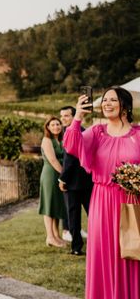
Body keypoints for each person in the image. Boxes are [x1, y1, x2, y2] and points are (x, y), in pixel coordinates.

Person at [64, 86, 140, 298]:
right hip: (102, 201)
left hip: (131, 202)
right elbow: (70, 145)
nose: (106, 103)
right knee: (103, 254)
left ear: (124, 105)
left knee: (131, 252)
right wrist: (78, 116)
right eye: (104, 100)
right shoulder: (96, 133)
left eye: (112, 100)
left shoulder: (138, 135)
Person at [58, 105, 92, 255]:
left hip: (73, 181)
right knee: (92, 214)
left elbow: (69, 159)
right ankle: (98, 244)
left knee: (74, 216)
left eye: (66, 116)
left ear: (74, 116)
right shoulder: (83, 130)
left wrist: (62, 179)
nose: (63, 119)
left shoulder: (71, 132)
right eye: (62, 116)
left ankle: (76, 248)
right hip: (87, 180)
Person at [38, 116, 67, 247]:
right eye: (53, 125)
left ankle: (57, 236)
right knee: (49, 206)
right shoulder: (47, 140)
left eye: (58, 124)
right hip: (50, 174)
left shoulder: (61, 139)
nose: (56, 126)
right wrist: (64, 175)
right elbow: (53, 160)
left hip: (59, 174)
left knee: (56, 205)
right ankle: (50, 237)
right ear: (48, 127)